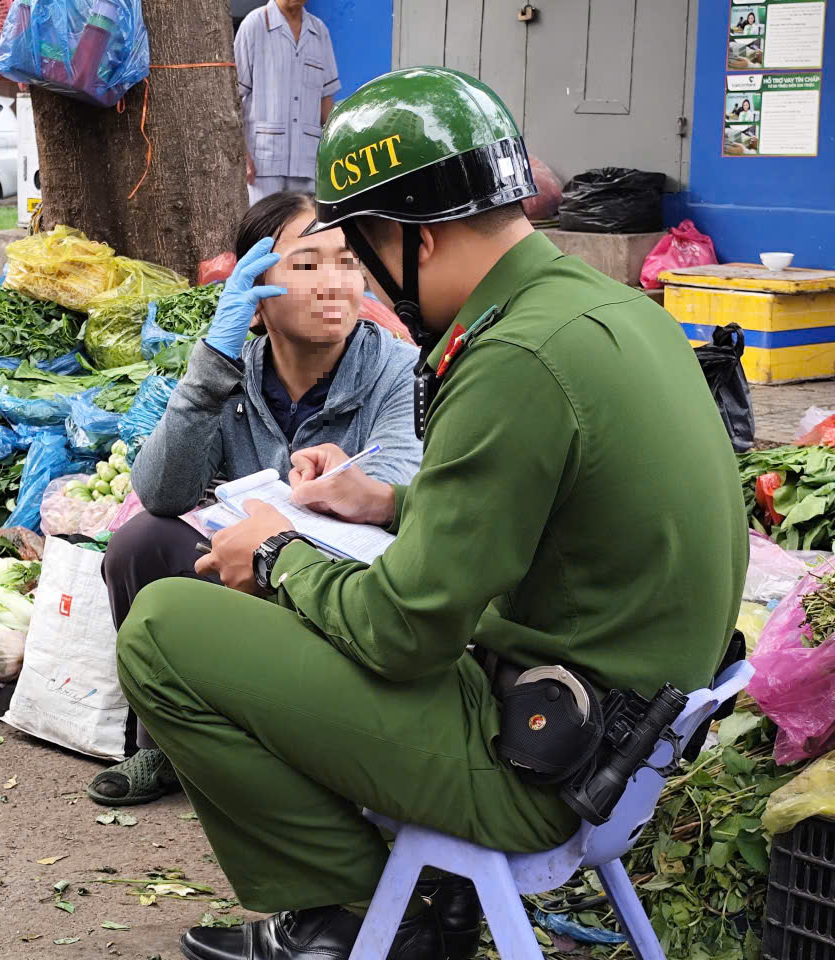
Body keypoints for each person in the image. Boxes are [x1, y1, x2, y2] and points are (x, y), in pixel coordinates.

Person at [115, 66, 747, 960]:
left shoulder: (513, 355)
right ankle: (400, 904)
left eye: (360, 248)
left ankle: (361, 915)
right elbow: (554, 510)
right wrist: (391, 501)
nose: (360, 282)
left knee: (164, 626)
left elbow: (404, 632)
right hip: (616, 741)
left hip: (538, 764)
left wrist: (278, 555)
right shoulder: (604, 308)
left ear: (411, 235)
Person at [87, 190, 423, 809]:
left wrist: (342, 488)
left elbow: (402, 473)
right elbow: (163, 491)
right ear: (255, 286)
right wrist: (211, 361)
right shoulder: (234, 371)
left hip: (337, 580)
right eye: (306, 264)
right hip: (246, 567)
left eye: (348, 260)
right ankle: (158, 745)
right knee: (140, 542)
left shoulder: (397, 368)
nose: (335, 283)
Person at [235, 0, 340, 205]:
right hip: (263, 164)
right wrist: (242, 152)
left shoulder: (319, 32)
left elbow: (325, 101)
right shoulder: (254, 25)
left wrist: (334, 155)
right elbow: (234, 96)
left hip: (307, 162)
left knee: (304, 234)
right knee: (264, 233)